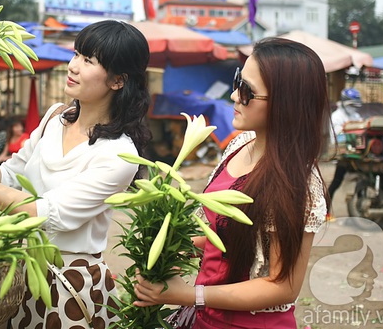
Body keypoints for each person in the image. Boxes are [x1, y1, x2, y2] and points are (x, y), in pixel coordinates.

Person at [0, 20, 152, 329]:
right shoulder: (54, 117)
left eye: (88, 60)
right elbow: (10, 175)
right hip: (21, 272)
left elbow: (42, 213)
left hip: (70, 286)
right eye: (76, 54)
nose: (73, 66)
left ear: (118, 81)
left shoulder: (118, 154)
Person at [132, 38, 330, 328]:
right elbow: (219, 235)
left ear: (284, 103)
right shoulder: (240, 144)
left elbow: (282, 286)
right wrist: (172, 249)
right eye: (238, 81)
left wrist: (189, 294)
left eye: (248, 91)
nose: (235, 96)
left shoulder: (297, 182)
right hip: (203, 319)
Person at [327, 87, 363, 205]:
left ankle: (360, 209)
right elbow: (336, 138)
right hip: (345, 156)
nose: (353, 108)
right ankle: (326, 212)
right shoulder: (336, 116)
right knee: (336, 183)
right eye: (351, 105)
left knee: (363, 181)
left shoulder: (356, 116)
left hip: (359, 155)